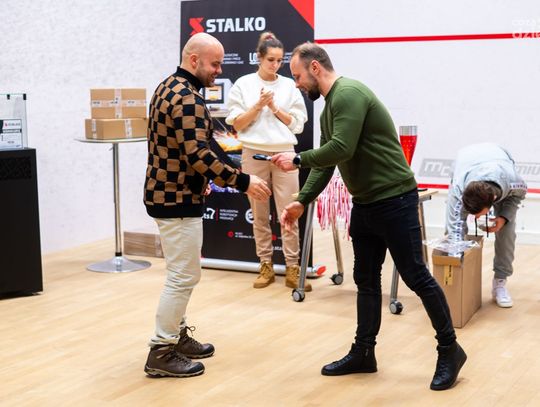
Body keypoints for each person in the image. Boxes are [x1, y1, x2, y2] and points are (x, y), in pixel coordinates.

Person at [271, 42, 466, 391]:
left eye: (298, 76)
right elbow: (329, 161)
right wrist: (302, 200)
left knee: (416, 276)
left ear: (315, 68)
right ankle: (364, 353)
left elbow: (340, 148)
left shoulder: (349, 94)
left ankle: (450, 350)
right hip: (365, 204)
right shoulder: (330, 106)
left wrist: (298, 159)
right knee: (365, 280)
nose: (297, 84)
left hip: (395, 200)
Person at [143, 33, 271, 378]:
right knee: (183, 276)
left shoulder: (167, 87)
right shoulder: (188, 97)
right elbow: (199, 155)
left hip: (169, 193)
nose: (219, 70)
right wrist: (243, 181)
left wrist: (227, 175)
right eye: (214, 64)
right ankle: (161, 349)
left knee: (180, 273)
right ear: (194, 60)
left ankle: (177, 336)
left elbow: (198, 146)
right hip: (176, 198)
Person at [226, 32, 308, 291]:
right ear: (259, 58)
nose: (275, 64)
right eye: (271, 59)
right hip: (253, 153)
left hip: (285, 154)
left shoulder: (289, 86)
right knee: (259, 213)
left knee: (289, 211)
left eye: (279, 60)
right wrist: (259, 105)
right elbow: (238, 124)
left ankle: (293, 267)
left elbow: (297, 125)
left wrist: (274, 108)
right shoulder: (244, 84)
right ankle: (265, 265)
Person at [446, 142, 527, 308]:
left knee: (507, 231)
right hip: (466, 159)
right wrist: (456, 259)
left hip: (498, 158)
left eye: (477, 214)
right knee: (452, 232)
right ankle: (453, 284)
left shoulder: (514, 183)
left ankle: (500, 283)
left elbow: (517, 197)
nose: (474, 217)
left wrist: (503, 218)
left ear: (493, 201)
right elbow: (455, 226)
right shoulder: (459, 188)